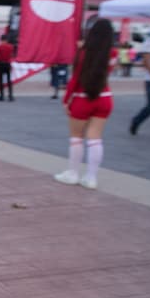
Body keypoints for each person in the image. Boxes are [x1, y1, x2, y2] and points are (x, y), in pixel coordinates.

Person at [53, 19, 114, 189]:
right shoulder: (113, 53)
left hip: (82, 97)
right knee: (95, 139)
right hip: (105, 97)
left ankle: (72, 173)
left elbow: (75, 78)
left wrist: (66, 99)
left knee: (76, 137)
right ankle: (91, 178)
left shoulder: (83, 52)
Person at [0, 33, 15, 101]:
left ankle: (2, 96)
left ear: (1, 40)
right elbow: (12, 55)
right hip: (8, 64)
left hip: (0, 64)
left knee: (0, 81)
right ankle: (10, 96)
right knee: (9, 81)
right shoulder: (11, 47)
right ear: (7, 40)